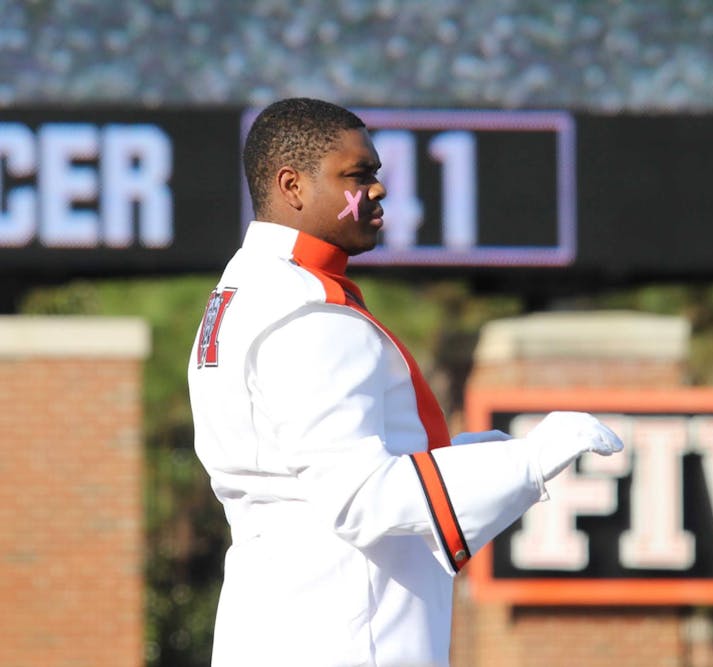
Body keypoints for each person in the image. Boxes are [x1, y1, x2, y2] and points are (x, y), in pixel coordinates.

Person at [187, 97, 624, 667]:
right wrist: (528, 464)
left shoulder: (245, 289)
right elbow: (361, 496)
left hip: (283, 620)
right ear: (291, 185)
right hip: (342, 636)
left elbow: (335, 472)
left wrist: (499, 454)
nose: (378, 190)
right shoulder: (307, 311)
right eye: (357, 175)